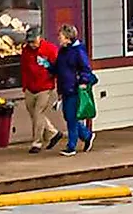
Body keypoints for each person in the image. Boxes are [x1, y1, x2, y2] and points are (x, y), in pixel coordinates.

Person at [53, 24, 97, 155]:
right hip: (65, 88)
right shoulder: (62, 51)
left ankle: (71, 146)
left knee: (72, 117)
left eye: (61, 36)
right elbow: (58, 69)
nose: (59, 38)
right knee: (68, 116)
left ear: (68, 37)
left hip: (74, 88)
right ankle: (87, 135)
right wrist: (48, 66)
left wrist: (83, 82)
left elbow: (86, 68)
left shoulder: (78, 51)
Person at [20, 28, 62, 152]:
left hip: (45, 87)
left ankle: (36, 143)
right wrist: (24, 86)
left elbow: (57, 68)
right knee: (34, 114)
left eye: (33, 41)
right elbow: (24, 69)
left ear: (40, 38)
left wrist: (56, 85)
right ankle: (53, 133)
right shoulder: (26, 51)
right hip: (30, 87)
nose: (32, 44)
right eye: (29, 42)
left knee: (38, 113)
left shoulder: (50, 49)